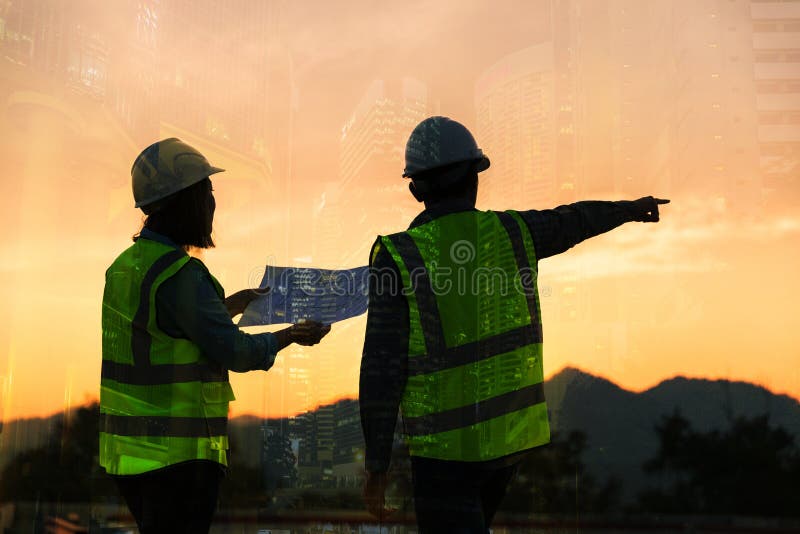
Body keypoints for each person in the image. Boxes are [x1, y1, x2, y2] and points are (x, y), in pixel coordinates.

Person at [359, 116, 669, 532]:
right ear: (475, 176)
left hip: (443, 453)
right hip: (508, 444)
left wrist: (377, 466)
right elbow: (572, 220)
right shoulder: (513, 232)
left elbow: (381, 368)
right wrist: (628, 210)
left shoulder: (399, 256)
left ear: (415, 190)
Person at [100, 138, 330, 533]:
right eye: (207, 191)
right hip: (178, 460)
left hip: (130, 455)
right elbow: (237, 352)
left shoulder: (125, 268)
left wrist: (231, 305)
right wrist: (291, 334)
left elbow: (164, 331)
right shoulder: (181, 274)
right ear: (184, 201)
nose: (212, 203)